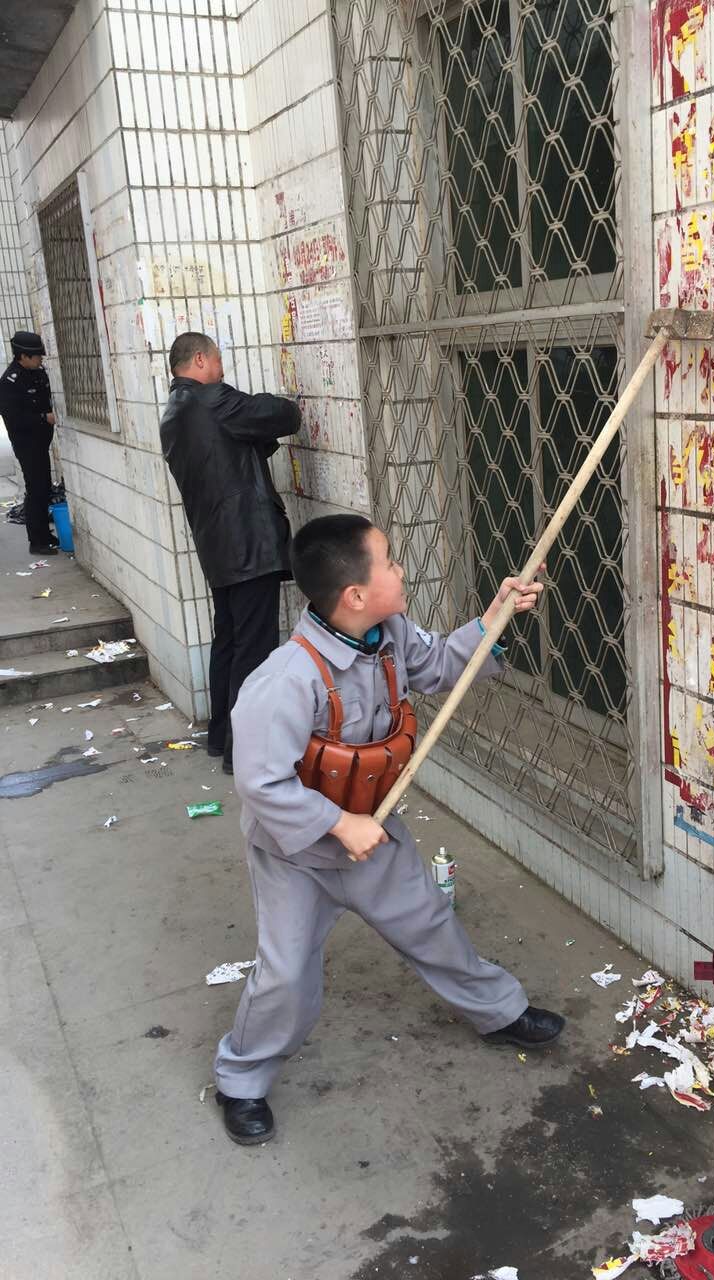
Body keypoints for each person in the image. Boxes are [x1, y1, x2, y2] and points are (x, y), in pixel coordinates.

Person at [213, 513, 565, 1144]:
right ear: (354, 594)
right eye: (390, 562)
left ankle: (499, 1012)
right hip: (297, 855)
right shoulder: (286, 680)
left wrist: (493, 620)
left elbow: (440, 667)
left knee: (430, 924)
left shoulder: (390, 635)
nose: (401, 570)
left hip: (375, 832)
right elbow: (261, 784)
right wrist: (337, 823)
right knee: (286, 974)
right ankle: (241, 1080)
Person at [160, 333, 301, 774]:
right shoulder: (213, 400)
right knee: (254, 650)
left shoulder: (174, 412)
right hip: (249, 546)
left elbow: (237, 445)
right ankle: (245, 752)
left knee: (229, 641)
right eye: (219, 360)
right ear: (201, 359)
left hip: (218, 547)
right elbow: (282, 415)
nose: (222, 369)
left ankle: (221, 735)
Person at [0, 330, 59, 555]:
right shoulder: (9, 382)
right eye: (37, 356)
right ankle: (37, 541)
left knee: (44, 487)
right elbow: (14, 418)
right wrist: (43, 418)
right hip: (26, 444)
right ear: (23, 356)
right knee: (36, 489)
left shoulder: (37, 372)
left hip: (41, 442)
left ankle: (44, 534)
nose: (40, 360)